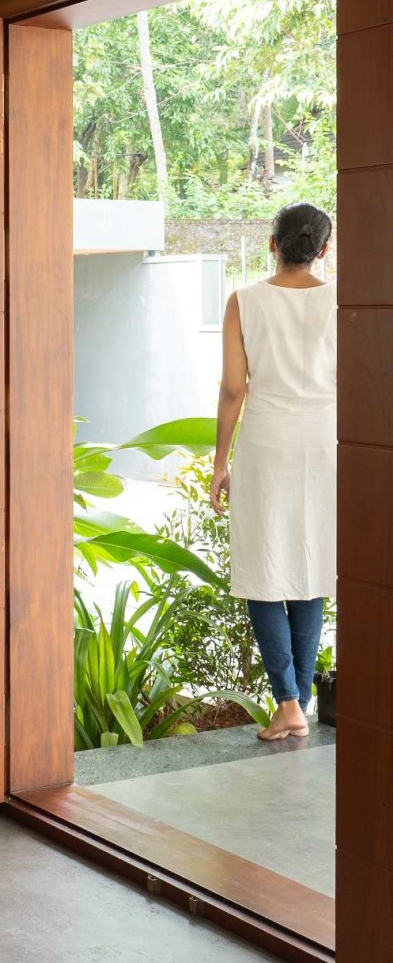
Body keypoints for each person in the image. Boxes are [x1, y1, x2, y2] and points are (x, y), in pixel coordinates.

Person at [210, 202, 336, 742]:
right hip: (326, 444)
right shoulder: (345, 300)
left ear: (272, 243)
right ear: (324, 251)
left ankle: (287, 700)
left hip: (265, 443)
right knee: (312, 567)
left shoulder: (245, 301)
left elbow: (234, 389)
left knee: (263, 572)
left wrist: (219, 462)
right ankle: (298, 703)